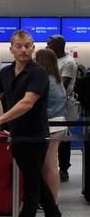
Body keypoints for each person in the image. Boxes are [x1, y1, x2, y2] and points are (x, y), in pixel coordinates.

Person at [0, 30, 68, 217]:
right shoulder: (6, 73)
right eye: (19, 46)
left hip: (35, 136)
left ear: (33, 47)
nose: (24, 49)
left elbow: (27, 103)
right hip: (17, 135)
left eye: (28, 45)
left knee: (31, 185)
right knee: (35, 178)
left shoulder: (38, 73)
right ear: (11, 48)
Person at [35, 49, 67, 201]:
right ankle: (48, 200)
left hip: (52, 125)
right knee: (50, 165)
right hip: (60, 123)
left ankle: (52, 201)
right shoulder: (57, 79)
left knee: (50, 166)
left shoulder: (46, 80)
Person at [47, 35, 77, 183]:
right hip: (51, 104)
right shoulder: (53, 59)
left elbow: (62, 86)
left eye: (50, 42)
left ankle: (64, 168)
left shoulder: (68, 62)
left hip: (63, 104)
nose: (47, 43)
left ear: (58, 45)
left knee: (64, 137)